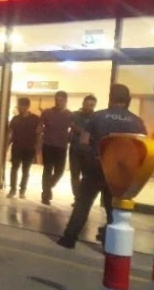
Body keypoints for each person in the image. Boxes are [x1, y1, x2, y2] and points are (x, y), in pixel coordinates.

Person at [57, 84, 147, 249]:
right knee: (113, 209)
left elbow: (84, 141)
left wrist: (90, 159)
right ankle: (110, 243)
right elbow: (143, 148)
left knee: (83, 204)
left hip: (96, 167)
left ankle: (69, 239)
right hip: (119, 171)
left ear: (110, 98)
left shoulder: (97, 117)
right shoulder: (137, 122)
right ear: (128, 100)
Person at [38, 91, 73, 205]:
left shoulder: (70, 115)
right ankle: (46, 195)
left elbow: (73, 128)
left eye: (61, 100)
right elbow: (40, 127)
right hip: (48, 145)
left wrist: (69, 137)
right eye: (57, 100)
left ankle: (47, 188)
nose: (59, 102)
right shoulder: (47, 112)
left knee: (60, 171)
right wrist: (38, 143)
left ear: (66, 101)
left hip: (61, 146)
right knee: (47, 170)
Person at [7, 98, 40, 199]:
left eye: (21, 105)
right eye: (19, 105)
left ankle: (22, 190)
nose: (19, 108)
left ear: (27, 106)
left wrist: (38, 147)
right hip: (17, 147)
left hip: (29, 148)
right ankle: (12, 189)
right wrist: (7, 145)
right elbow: (10, 133)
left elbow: (38, 134)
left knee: (26, 170)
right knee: (14, 168)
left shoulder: (35, 119)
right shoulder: (15, 119)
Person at [69, 95, 97, 207]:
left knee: (86, 177)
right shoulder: (74, 115)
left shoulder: (96, 117)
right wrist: (83, 132)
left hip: (89, 152)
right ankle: (77, 198)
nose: (89, 107)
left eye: (92, 105)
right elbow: (70, 125)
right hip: (75, 150)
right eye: (87, 104)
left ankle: (82, 199)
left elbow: (94, 133)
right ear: (83, 104)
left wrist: (79, 130)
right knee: (74, 176)